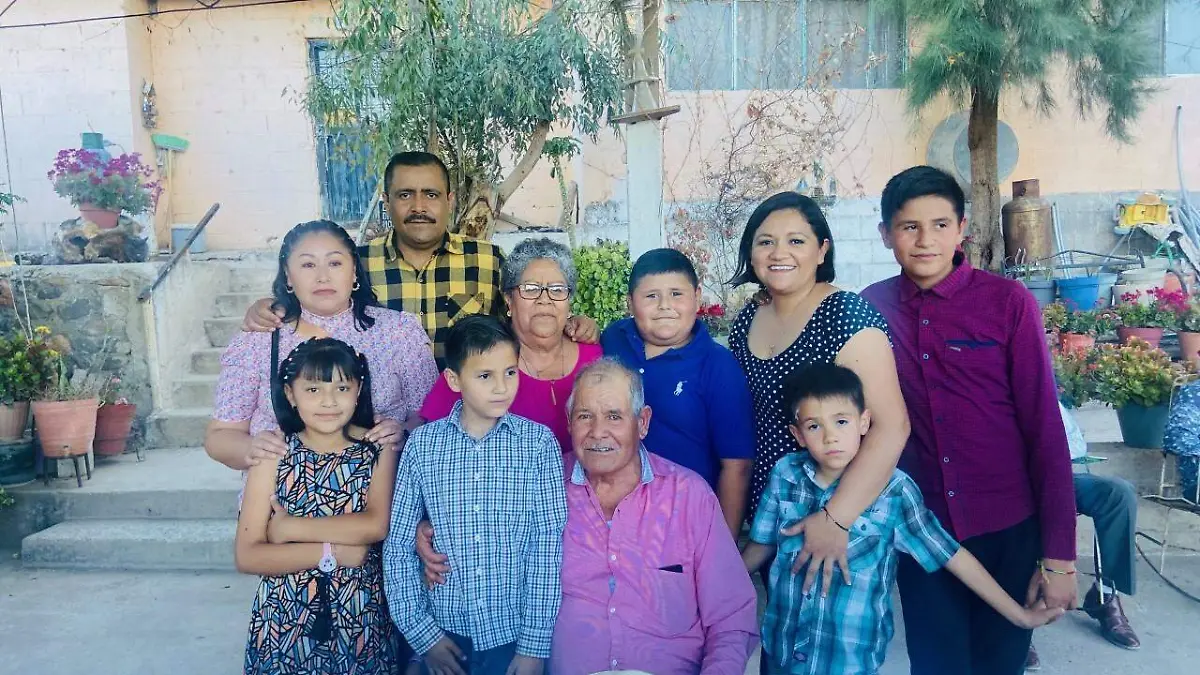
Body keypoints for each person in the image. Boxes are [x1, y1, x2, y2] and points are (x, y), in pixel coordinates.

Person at [861, 165, 1077, 675]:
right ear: (886, 234)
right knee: (935, 664)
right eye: (909, 226)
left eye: (940, 224)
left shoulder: (1007, 304)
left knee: (999, 664)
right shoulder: (871, 309)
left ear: (961, 229)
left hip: (1007, 527)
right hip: (921, 532)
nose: (925, 240)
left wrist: (1060, 558)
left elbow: (1045, 432)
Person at [417, 358, 760, 674]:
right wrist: (429, 531)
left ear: (642, 423)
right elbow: (476, 524)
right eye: (585, 416)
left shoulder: (689, 496)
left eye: (614, 416)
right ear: (568, 422)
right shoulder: (538, 483)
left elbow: (732, 619)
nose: (598, 432)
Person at [742, 364, 1063, 675]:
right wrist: (717, 587)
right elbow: (762, 543)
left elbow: (950, 555)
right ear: (797, 434)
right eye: (814, 426)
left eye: (841, 421)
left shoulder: (895, 491)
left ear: (864, 422)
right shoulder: (786, 475)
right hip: (782, 649)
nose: (830, 437)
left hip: (849, 660)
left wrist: (1019, 616)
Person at [241, 152, 597, 367]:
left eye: (431, 194)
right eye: (405, 195)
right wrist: (270, 308)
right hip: (376, 423)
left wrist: (570, 324)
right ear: (387, 201)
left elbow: (524, 315)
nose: (419, 207)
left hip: (469, 419)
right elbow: (312, 309)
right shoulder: (355, 265)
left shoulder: (486, 261)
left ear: (449, 200)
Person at [726, 191, 909, 596]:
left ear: (822, 249)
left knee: (834, 630)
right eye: (765, 241)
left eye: (796, 240)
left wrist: (835, 518)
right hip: (773, 516)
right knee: (782, 626)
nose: (779, 253)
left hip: (838, 518)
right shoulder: (748, 318)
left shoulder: (845, 315)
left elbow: (892, 426)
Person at [384, 315, 568, 675]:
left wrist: (534, 645)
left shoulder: (538, 444)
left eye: (510, 372)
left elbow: (546, 546)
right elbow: (399, 546)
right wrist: (423, 635)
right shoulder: (423, 446)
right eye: (485, 376)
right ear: (454, 380)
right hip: (444, 632)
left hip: (513, 635)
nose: (501, 387)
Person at [207, 219, 438, 472]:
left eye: (335, 263)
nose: (323, 277)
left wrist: (404, 433)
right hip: (278, 490)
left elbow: (433, 416)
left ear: (354, 271)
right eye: (308, 264)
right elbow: (220, 436)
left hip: (381, 488)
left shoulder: (399, 332)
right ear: (288, 275)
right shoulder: (260, 337)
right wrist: (253, 449)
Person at [236, 337, 401, 672]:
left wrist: (288, 528)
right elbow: (248, 555)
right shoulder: (273, 455)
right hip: (284, 621)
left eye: (342, 388)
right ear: (290, 394)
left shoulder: (377, 449)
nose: (329, 401)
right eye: (313, 389)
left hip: (360, 618)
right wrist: (332, 553)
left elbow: (374, 525)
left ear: (358, 390)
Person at [601, 247, 754, 536]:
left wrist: (722, 546)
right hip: (614, 518)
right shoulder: (613, 340)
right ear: (630, 302)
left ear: (697, 297)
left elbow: (737, 466)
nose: (664, 306)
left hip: (683, 522)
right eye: (651, 296)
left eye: (676, 294)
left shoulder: (718, 366)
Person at [420, 237, 603, 452]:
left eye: (557, 289)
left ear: (569, 300)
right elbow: (429, 430)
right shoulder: (480, 359)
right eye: (530, 288)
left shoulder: (596, 357)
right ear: (508, 299)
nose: (545, 299)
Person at [1027, 404, 1141, 670]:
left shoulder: (1047, 398)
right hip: (1015, 482)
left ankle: (1104, 595)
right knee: (1018, 507)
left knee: (1118, 493)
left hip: (1059, 477)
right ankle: (1016, 615)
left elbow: (1077, 447)